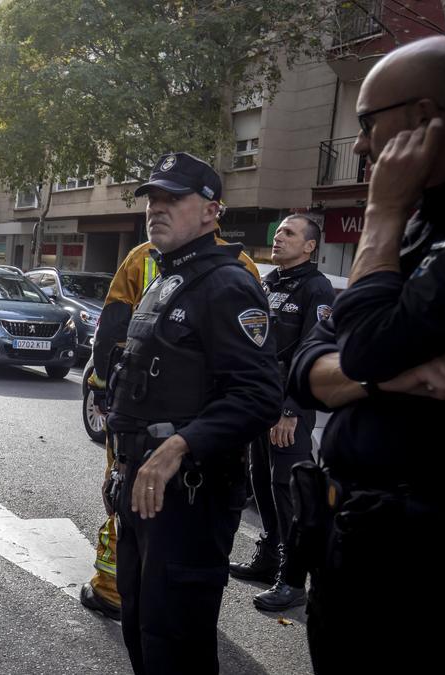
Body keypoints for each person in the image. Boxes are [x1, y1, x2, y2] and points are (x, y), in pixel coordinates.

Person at [286, 36, 445, 673]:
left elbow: (367, 344)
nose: (360, 145)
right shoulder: (420, 218)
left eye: (368, 121)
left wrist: (379, 216)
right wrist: (393, 379)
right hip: (353, 536)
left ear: (424, 115)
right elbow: (307, 363)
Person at [107, 152, 280, 673]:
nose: (156, 209)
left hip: (191, 494)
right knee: (143, 630)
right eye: (152, 199)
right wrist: (124, 464)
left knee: (176, 645)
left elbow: (258, 395)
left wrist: (178, 448)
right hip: (145, 486)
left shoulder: (228, 284)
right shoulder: (166, 276)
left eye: (172, 199)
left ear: (211, 210)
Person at [82, 225, 259, 621]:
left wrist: (103, 389)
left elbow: (110, 330)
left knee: (125, 494)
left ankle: (112, 589)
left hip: (141, 412)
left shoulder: (142, 257)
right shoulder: (242, 265)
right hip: (207, 427)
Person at [229, 214, 333, 611]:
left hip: (288, 407)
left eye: (289, 233)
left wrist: (291, 409)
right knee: (260, 482)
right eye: (278, 233)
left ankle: (293, 579)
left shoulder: (316, 288)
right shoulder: (268, 282)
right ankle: (268, 557)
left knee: (287, 491)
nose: (278, 237)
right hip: (258, 401)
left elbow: (313, 350)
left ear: (309, 246)